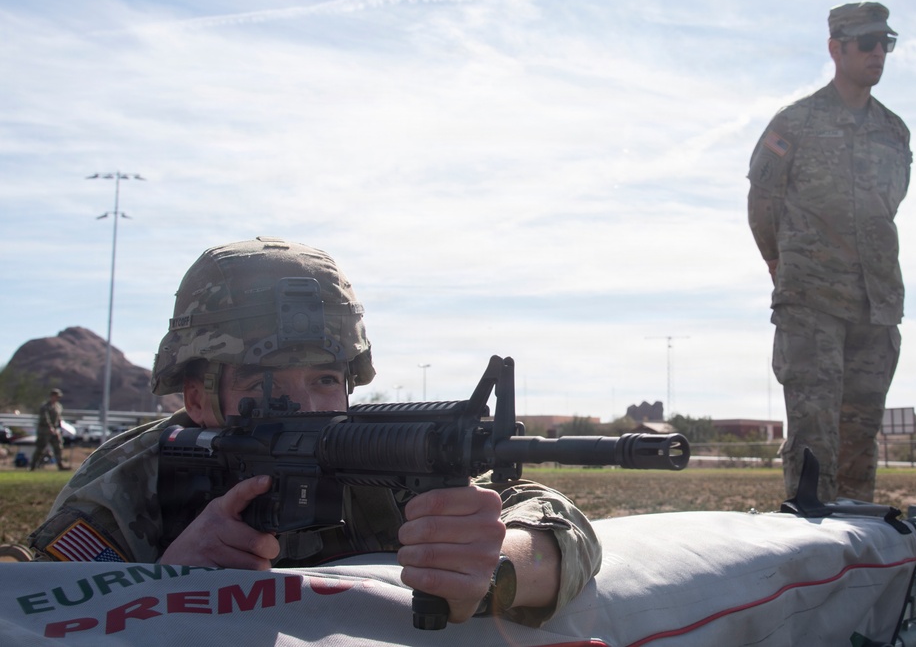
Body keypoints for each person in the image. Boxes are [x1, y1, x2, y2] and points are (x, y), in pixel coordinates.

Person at [29, 237, 601, 627]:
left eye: (326, 379)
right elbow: (31, 601)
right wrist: (162, 583)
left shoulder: (375, 457)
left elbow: (558, 523)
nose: (305, 407)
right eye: (264, 383)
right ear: (199, 399)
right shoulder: (133, 481)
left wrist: (496, 567)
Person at [747, 3, 912, 503]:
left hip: (876, 306)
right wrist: (783, 265)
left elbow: (891, 205)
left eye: (886, 42)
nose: (878, 52)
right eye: (867, 43)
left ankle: (859, 562)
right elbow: (763, 201)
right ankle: (811, 557)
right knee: (814, 443)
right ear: (836, 48)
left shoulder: (894, 131)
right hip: (811, 303)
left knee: (860, 443)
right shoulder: (795, 123)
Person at [31, 388, 69, 471]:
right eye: (56, 396)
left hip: (55, 431)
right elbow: (45, 418)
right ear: (52, 396)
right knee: (40, 448)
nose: (57, 398)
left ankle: (60, 465)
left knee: (58, 447)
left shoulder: (58, 406)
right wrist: (50, 427)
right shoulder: (45, 406)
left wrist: (59, 427)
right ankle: (33, 466)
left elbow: (58, 418)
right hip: (44, 431)